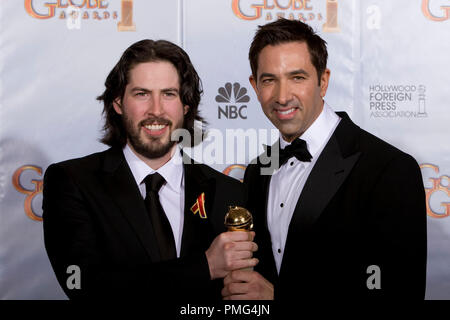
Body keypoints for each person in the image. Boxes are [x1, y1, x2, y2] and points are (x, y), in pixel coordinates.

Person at [222, 19, 427, 300]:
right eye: (269, 80)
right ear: (254, 86)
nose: (282, 96)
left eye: (297, 77)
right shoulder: (259, 169)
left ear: (323, 81)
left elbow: (397, 290)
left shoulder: (389, 169)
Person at [42, 39, 258, 301]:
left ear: (185, 106)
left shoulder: (229, 193)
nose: (156, 110)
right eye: (142, 94)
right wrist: (205, 267)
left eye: (169, 94)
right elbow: (82, 284)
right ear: (118, 103)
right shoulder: (73, 182)